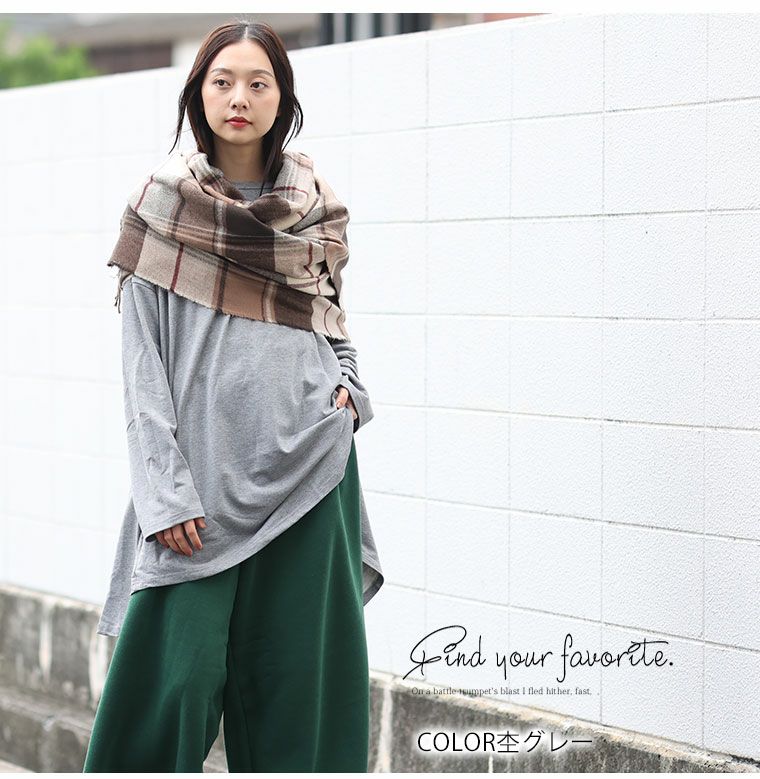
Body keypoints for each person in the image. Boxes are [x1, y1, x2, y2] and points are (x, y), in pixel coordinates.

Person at [82, 18, 384, 773]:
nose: (239, 97)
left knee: (298, 698)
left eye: (258, 83)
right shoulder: (159, 208)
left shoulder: (313, 207)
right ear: (199, 94)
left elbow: (330, 320)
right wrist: (164, 492)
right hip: (197, 492)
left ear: (283, 98)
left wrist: (350, 392)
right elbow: (142, 365)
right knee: (171, 686)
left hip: (310, 470)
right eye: (223, 82)